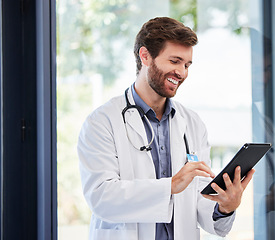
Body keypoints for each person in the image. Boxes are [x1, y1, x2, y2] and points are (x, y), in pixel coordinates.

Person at [77, 16, 255, 240]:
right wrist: (170, 186)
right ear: (145, 56)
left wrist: (224, 207)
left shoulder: (192, 124)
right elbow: (101, 197)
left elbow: (199, 200)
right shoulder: (102, 122)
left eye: (187, 64)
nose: (182, 73)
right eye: (175, 61)